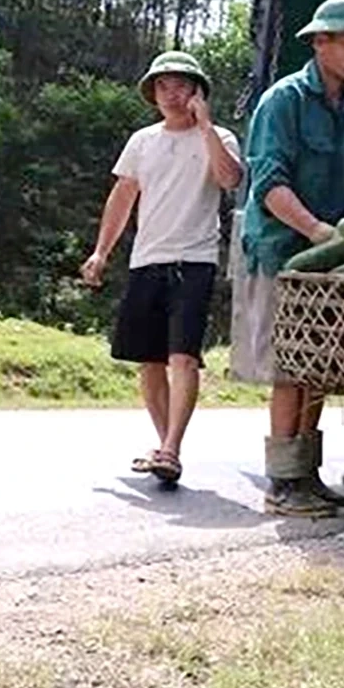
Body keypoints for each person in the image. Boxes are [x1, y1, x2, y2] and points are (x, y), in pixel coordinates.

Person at [233, 0, 344, 517]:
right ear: (319, 42)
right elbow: (268, 185)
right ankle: (282, 483)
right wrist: (321, 232)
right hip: (283, 249)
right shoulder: (283, 101)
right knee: (291, 365)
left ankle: (306, 475)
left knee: (321, 363)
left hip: (333, 257)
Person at [81, 51, 243, 486]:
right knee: (149, 362)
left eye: (181, 85)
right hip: (147, 259)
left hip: (195, 260)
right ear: (153, 94)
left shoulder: (220, 137)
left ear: (197, 92)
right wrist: (101, 252)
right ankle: (166, 448)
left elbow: (230, 179)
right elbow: (123, 197)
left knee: (182, 356)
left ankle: (170, 448)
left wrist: (205, 126)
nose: (171, 94)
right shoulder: (142, 141)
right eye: (163, 86)